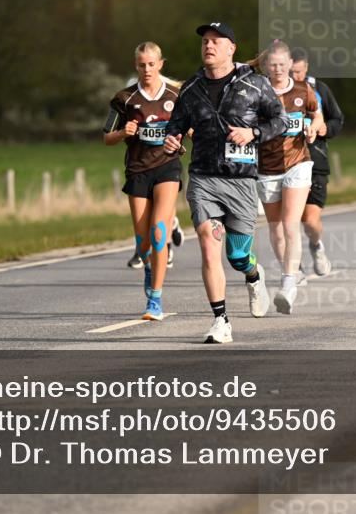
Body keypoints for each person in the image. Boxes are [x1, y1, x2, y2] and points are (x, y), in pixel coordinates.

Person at [163, 22, 288, 344]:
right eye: (205, 41)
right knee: (208, 244)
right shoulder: (191, 88)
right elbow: (175, 125)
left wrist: (253, 133)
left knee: (238, 257)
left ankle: (253, 275)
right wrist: (172, 140)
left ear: (231, 48)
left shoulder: (255, 83)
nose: (208, 46)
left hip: (241, 180)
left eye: (216, 41)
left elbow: (281, 120)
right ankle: (221, 320)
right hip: (203, 178)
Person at [103, 42, 184, 321]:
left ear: (161, 64)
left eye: (151, 64)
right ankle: (149, 268)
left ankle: (155, 300)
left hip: (167, 168)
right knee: (143, 243)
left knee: (159, 232)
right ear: (135, 66)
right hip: (138, 171)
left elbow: (192, 128)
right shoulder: (124, 98)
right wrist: (123, 133)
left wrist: (182, 137)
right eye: (142, 65)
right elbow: (106, 137)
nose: (147, 69)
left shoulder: (176, 95)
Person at [256, 41, 323, 313]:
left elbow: (318, 117)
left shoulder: (303, 90)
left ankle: (287, 285)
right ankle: (293, 273)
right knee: (275, 229)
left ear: (290, 64)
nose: (278, 69)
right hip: (267, 167)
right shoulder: (257, 92)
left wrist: (313, 128)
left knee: (289, 223)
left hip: (298, 162)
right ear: (266, 66)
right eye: (273, 65)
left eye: (282, 64)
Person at [290, 48, 344, 277]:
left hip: (315, 161)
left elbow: (337, 119)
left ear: (306, 68)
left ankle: (316, 245)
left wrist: (325, 128)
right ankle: (294, 267)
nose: (295, 77)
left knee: (310, 221)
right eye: (291, 72)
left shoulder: (319, 89)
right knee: (290, 220)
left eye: (299, 72)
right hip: (288, 162)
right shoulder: (278, 90)